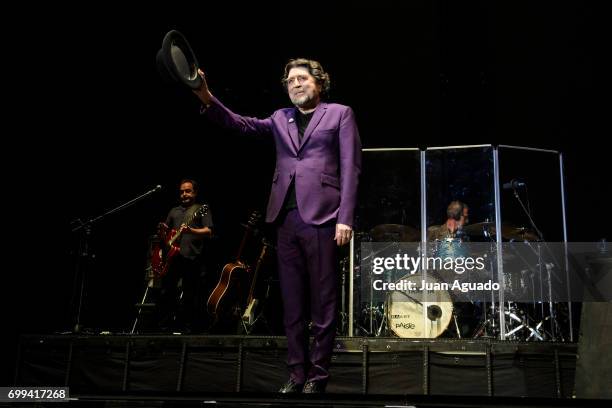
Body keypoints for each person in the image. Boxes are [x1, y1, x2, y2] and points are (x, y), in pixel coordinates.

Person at [193, 58, 361, 393]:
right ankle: (297, 374)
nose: (296, 84)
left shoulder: (340, 114)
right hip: (285, 219)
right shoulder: (279, 118)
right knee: (292, 301)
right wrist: (205, 94)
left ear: (319, 82)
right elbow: (240, 124)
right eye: (290, 80)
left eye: (302, 78)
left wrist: (345, 217)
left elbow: (351, 167)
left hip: (324, 218)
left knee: (323, 301)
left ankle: (318, 376)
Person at [157, 179, 213, 334]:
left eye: (187, 191)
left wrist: (191, 231)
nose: (184, 194)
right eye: (181, 191)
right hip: (172, 258)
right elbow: (166, 233)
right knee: (167, 292)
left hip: (191, 258)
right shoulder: (174, 211)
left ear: (194, 192)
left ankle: (186, 328)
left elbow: (208, 231)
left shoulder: (201, 209)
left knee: (190, 294)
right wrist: (162, 232)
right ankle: (165, 327)